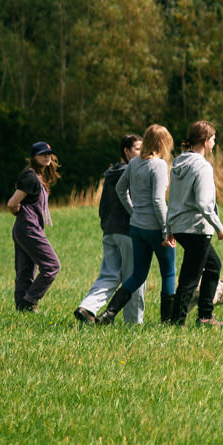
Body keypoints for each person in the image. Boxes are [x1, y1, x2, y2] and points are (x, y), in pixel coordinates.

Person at [99, 124, 174, 325]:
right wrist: (167, 230)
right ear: (163, 143)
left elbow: (121, 189)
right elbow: (159, 201)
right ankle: (167, 321)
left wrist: (134, 212)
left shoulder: (134, 164)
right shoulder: (157, 165)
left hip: (137, 227)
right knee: (168, 271)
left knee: (138, 274)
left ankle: (109, 313)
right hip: (155, 228)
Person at [75, 134, 145, 326]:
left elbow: (103, 206)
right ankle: (133, 322)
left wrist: (106, 225)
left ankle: (87, 307)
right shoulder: (131, 172)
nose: (143, 153)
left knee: (109, 274)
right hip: (129, 232)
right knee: (136, 276)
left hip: (110, 231)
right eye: (138, 149)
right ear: (126, 150)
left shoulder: (110, 174)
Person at [168, 121, 223, 327]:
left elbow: (173, 199)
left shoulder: (178, 163)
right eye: (213, 139)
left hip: (180, 226)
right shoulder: (202, 166)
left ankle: (205, 315)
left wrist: (170, 229)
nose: (214, 143)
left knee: (213, 266)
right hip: (197, 227)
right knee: (190, 277)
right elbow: (204, 203)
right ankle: (178, 321)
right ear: (204, 140)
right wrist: (219, 226)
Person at [7, 141, 60, 312]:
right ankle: (30, 301)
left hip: (27, 228)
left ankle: (22, 308)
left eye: (49, 154)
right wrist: (22, 217)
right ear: (33, 157)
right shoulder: (30, 177)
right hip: (28, 228)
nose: (47, 156)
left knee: (26, 271)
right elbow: (12, 203)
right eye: (42, 154)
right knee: (52, 266)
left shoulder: (38, 178)